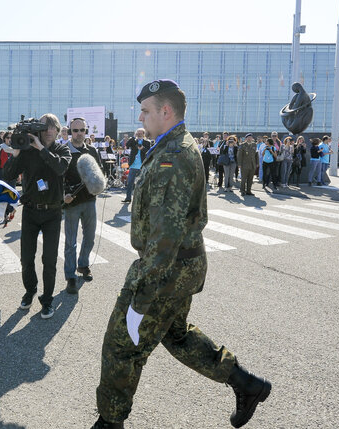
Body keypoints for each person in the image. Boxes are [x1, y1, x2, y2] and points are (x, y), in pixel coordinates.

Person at [93, 79, 271, 429]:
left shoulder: (173, 157)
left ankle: (110, 423)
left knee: (121, 346)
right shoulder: (169, 146)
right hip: (181, 266)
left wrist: (142, 292)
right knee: (176, 334)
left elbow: (165, 235)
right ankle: (247, 384)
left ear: (166, 111)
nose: (140, 116)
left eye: (146, 110)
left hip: (166, 269)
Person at [2, 113, 71, 319]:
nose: (49, 131)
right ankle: (30, 290)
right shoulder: (27, 151)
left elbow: (60, 168)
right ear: (39, 130)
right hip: (31, 210)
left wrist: (41, 148)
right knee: (26, 258)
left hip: (52, 211)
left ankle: (47, 300)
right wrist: (16, 152)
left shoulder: (62, 149)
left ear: (58, 131)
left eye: (53, 128)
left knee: (49, 259)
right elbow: (8, 175)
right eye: (45, 127)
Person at [62, 117, 104, 294]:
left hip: (90, 202)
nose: (79, 134)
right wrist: (64, 194)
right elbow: (58, 176)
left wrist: (98, 186)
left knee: (90, 237)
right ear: (70, 131)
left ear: (86, 131)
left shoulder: (93, 150)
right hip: (72, 204)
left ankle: (83, 264)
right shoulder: (63, 151)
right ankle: (70, 276)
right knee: (70, 242)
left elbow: (98, 173)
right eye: (75, 130)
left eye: (82, 130)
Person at [122, 128, 150, 203]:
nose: (139, 134)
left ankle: (142, 200)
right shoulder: (133, 140)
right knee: (130, 183)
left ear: (144, 134)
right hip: (133, 165)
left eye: (140, 133)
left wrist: (142, 148)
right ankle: (128, 198)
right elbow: (127, 145)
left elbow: (149, 152)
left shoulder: (147, 142)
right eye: (138, 133)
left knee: (142, 184)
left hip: (142, 166)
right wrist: (133, 137)